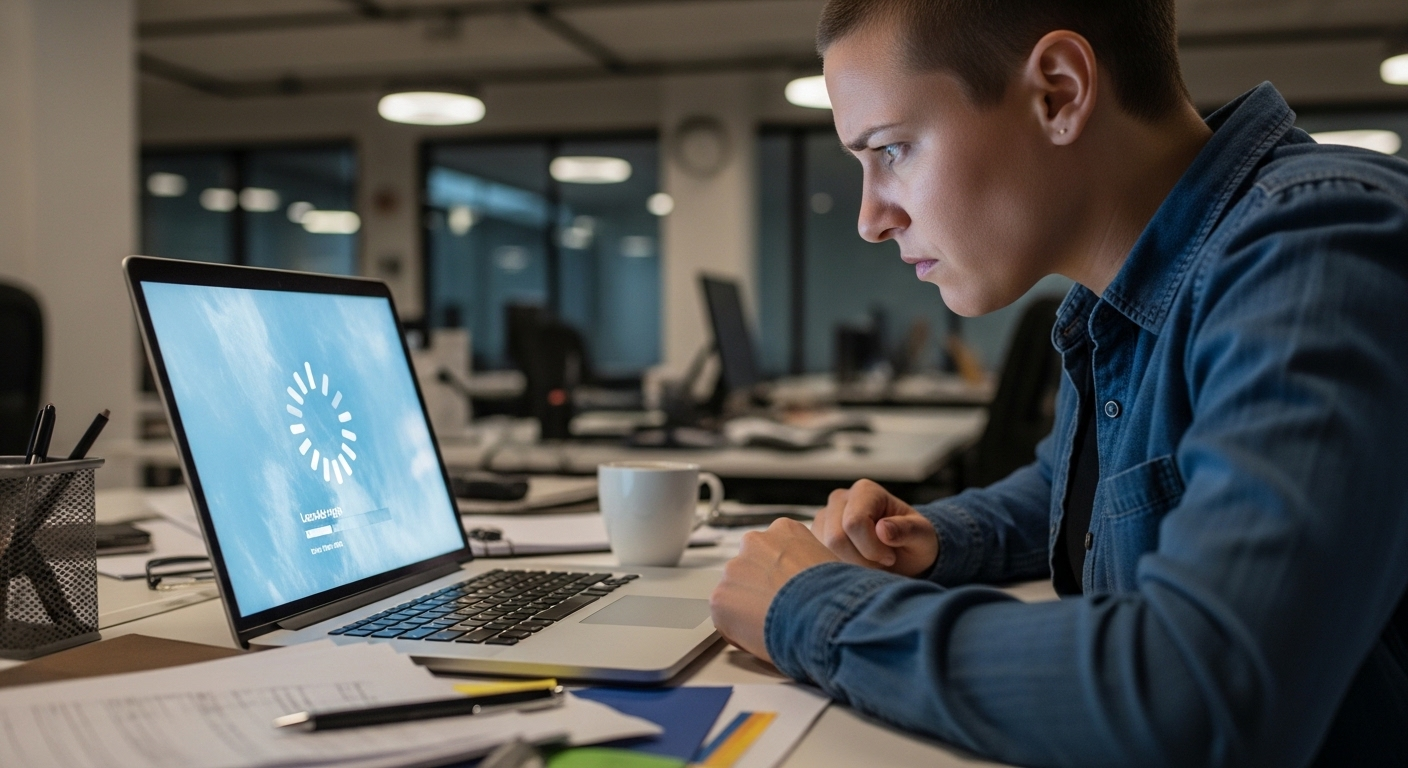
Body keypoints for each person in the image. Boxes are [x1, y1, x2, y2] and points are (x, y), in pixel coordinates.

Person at [708, 1, 1408, 765]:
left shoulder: (1315, 249)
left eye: (893, 149)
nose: (871, 219)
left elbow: (1204, 693)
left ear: (1059, 93)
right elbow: (1082, 487)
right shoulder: (1119, 294)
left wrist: (814, 610)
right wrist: (936, 537)